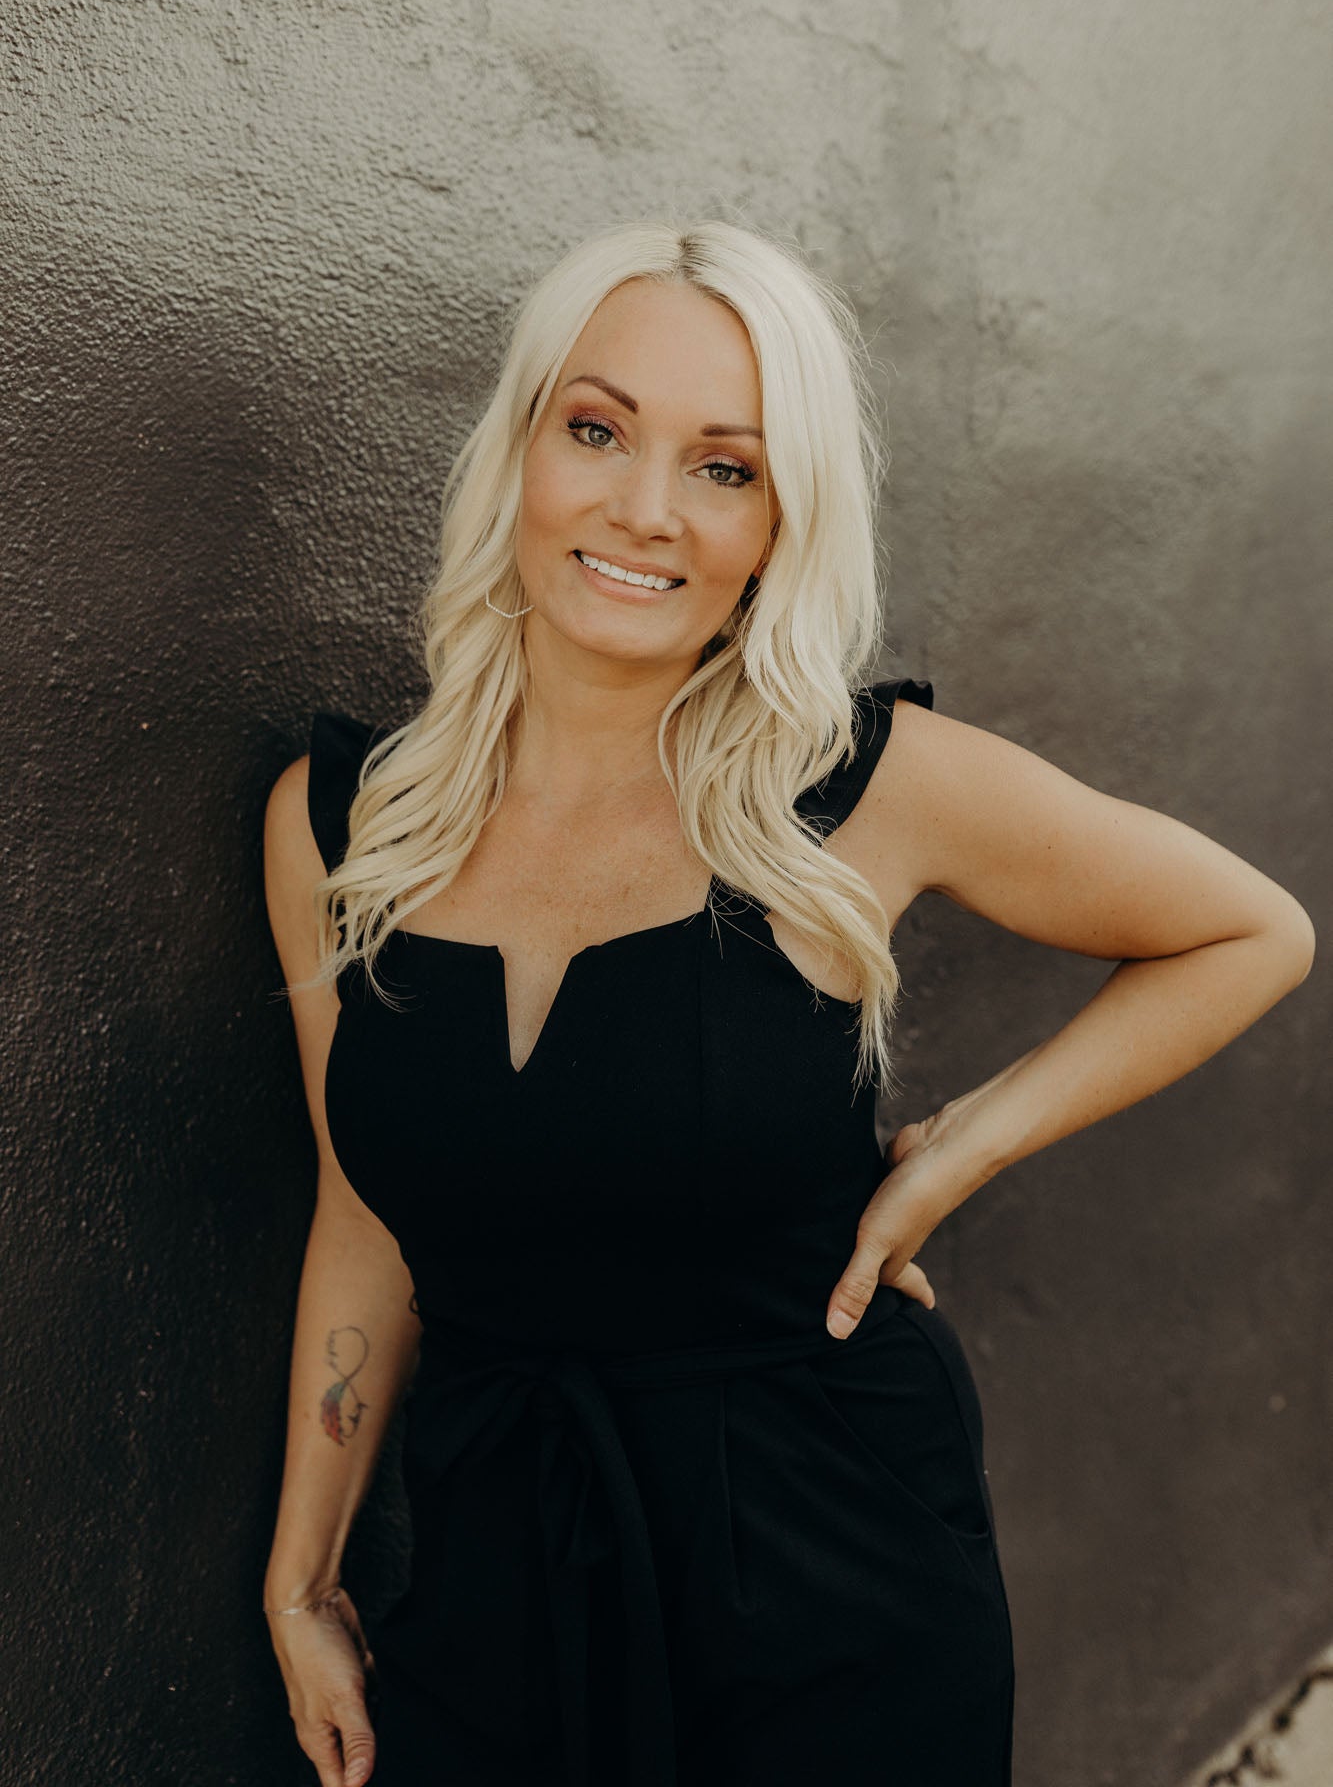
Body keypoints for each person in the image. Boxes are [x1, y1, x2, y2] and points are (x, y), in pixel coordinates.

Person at [260, 216, 1315, 1787]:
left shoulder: (862, 790)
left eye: (723, 467)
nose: (640, 509)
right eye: (597, 429)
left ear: (779, 522)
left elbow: (1248, 929)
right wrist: (303, 1570)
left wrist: (964, 1144)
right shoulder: (342, 823)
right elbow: (365, 1205)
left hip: (834, 1570)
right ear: (521, 451)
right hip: (500, 1560)